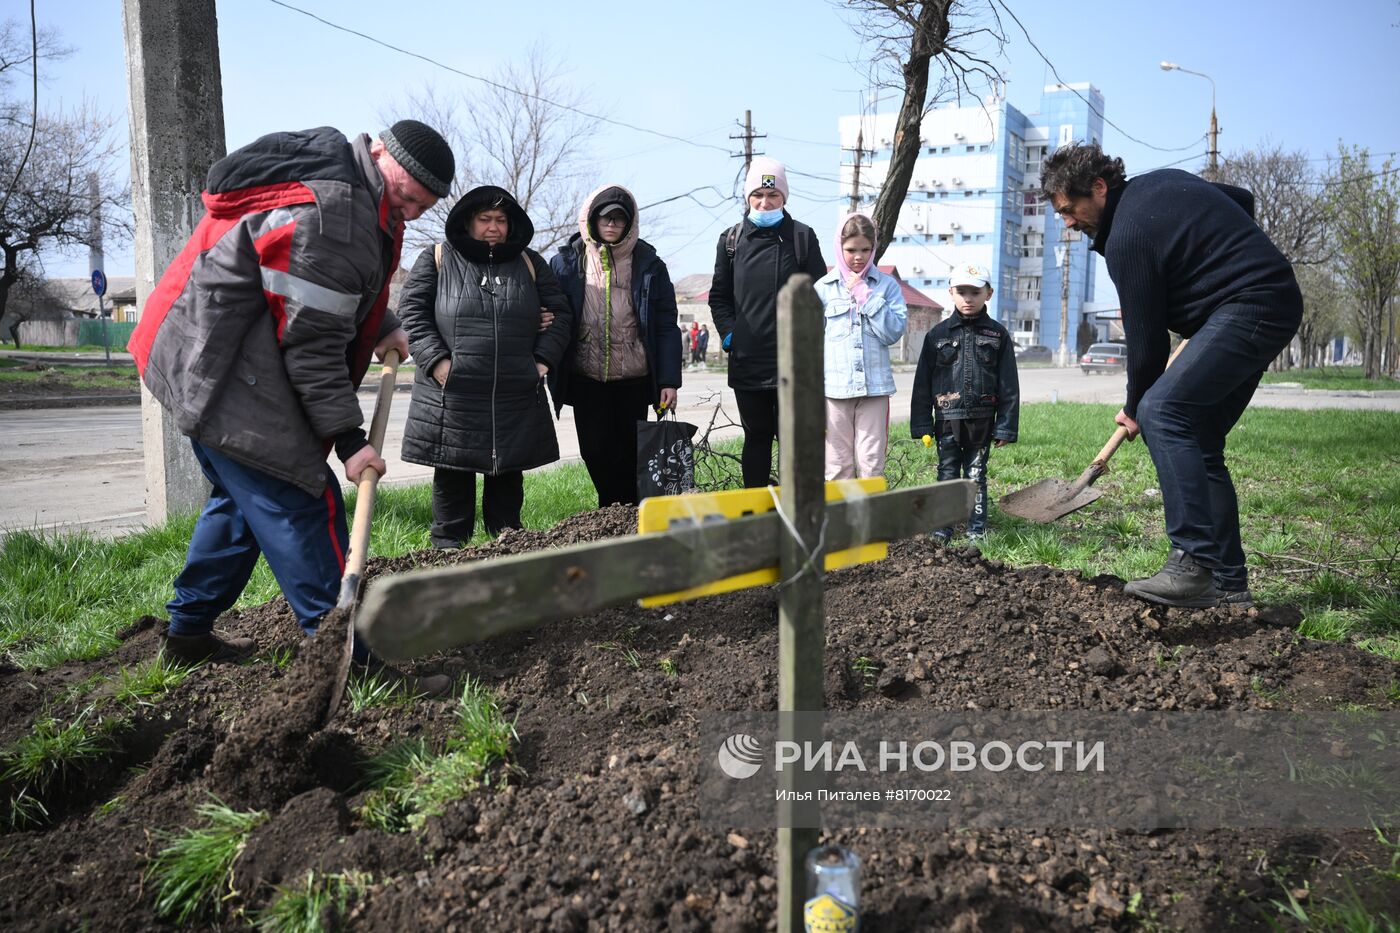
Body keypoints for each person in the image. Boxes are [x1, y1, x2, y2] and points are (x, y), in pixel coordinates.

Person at [127, 121, 453, 684]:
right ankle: (349, 666)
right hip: (229, 373)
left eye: (423, 206)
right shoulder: (339, 215)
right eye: (407, 196)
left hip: (203, 349)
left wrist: (385, 321)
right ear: (379, 152)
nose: (412, 212)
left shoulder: (350, 180)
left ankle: (187, 635)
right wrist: (352, 443)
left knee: (241, 503)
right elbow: (312, 348)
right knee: (302, 499)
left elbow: (319, 288)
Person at [1041, 142, 1302, 609]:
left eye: (1069, 209)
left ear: (1098, 189)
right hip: (1266, 300)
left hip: (1250, 305)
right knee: (1198, 438)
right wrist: (1222, 262)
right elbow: (1240, 198)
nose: (1068, 221)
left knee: (1163, 410)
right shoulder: (1160, 183)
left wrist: (1135, 405)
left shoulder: (1127, 237)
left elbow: (1146, 344)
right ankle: (1228, 581)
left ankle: (1191, 563)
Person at [398, 185, 572, 547]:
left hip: (513, 393)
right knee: (452, 481)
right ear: (468, 221)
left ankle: (507, 556)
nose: (493, 227)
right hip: (453, 394)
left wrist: (541, 362)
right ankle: (447, 560)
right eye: (485, 219)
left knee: (507, 483)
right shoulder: (436, 259)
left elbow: (560, 315)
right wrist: (437, 362)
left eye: (501, 220)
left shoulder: (529, 263)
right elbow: (412, 315)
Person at [549, 185, 681, 507]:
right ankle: (612, 508)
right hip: (586, 377)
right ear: (592, 220)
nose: (611, 225)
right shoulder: (566, 263)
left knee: (629, 452)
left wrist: (668, 381)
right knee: (593, 451)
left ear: (629, 224)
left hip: (633, 379)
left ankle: (625, 514)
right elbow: (551, 311)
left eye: (619, 220)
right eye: (605, 218)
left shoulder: (650, 265)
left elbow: (665, 325)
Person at [709, 156, 827, 488]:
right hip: (749, 361)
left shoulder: (803, 237)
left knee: (792, 440)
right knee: (756, 437)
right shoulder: (730, 241)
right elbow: (719, 297)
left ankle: (795, 512)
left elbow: (819, 296)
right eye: (758, 195)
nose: (765, 202)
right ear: (748, 198)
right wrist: (731, 335)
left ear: (784, 197)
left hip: (794, 362)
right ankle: (757, 513)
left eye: (772, 195)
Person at [910, 264, 1019, 542]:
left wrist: (1005, 427)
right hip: (947, 420)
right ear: (951, 293)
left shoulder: (998, 335)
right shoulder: (937, 335)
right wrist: (922, 423)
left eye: (975, 292)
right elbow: (922, 383)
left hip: (982, 420)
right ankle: (942, 526)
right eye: (961, 292)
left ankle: (976, 528)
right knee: (947, 472)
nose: (967, 298)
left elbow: (1008, 384)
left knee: (975, 474)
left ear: (988, 293)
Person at [817, 213, 907, 480]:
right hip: (834, 390)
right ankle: (840, 520)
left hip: (874, 389)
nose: (858, 257)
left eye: (865, 250)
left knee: (871, 464)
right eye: (851, 250)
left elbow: (892, 332)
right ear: (838, 247)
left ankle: (871, 520)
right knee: (837, 465)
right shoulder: (822, 289)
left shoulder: (887, 287)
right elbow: (810, 344)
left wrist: (865, 297)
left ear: (874, 248)